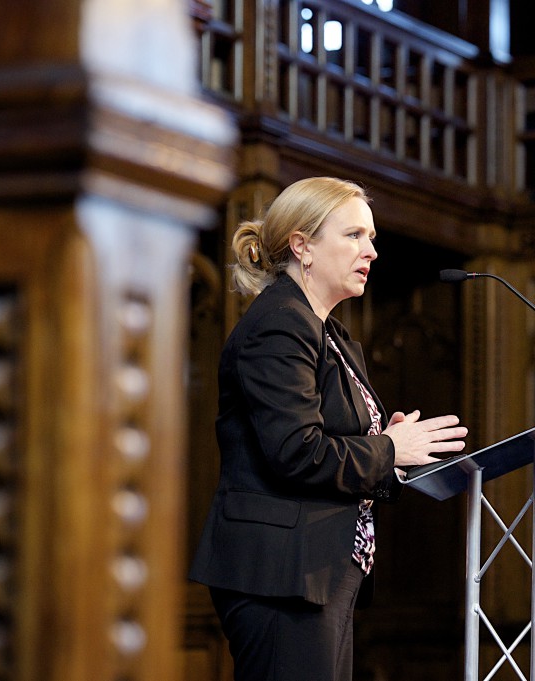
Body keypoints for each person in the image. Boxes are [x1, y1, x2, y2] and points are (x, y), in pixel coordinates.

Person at [189, 176, 468, 681]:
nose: (372, 251)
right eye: (355, 235)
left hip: (319, 571)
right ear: (303, 246)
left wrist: (388, 442)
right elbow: (297, 451)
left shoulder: (330, 333)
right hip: (279, 575)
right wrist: (387, 449)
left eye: (373, 237)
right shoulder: (280, 323)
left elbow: (332, 442)